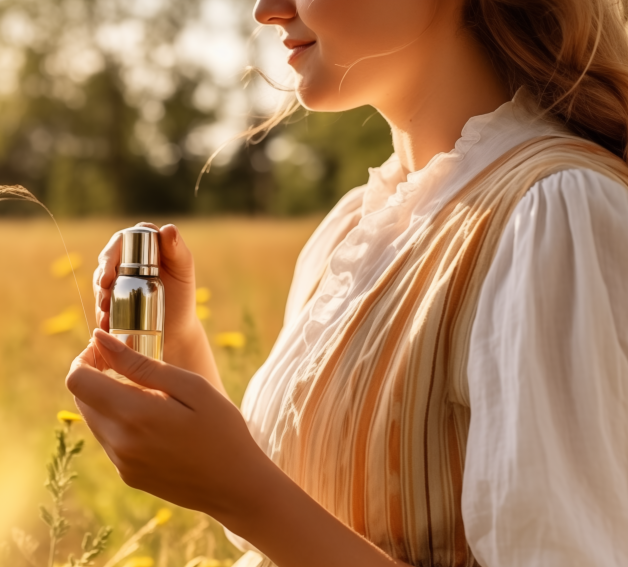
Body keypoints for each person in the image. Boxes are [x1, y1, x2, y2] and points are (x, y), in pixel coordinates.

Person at [66, 0, 628, 565]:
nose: (267, 10)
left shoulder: (553, 212)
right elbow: (298, 525)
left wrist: (244, 494)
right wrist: (180, 345)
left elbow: (264, 505)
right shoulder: (352, 226)